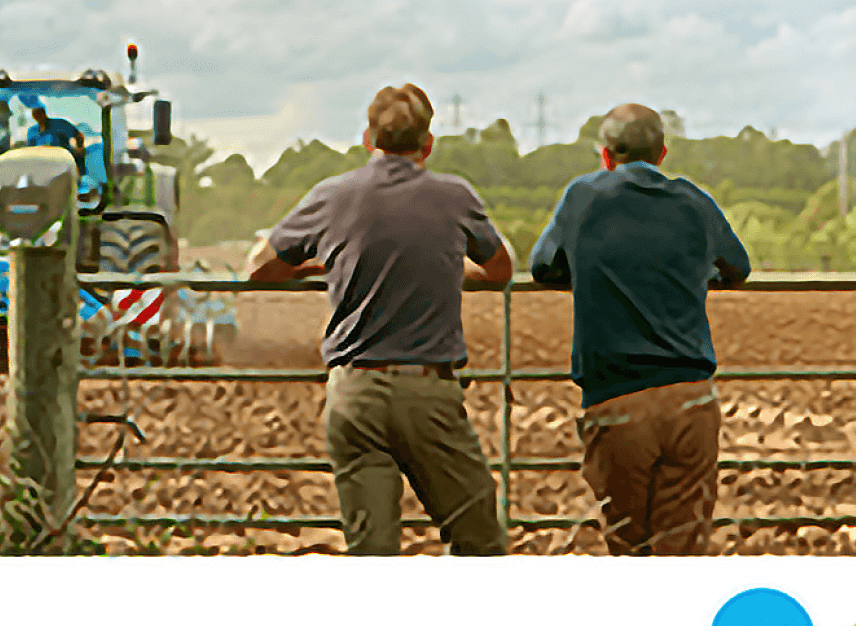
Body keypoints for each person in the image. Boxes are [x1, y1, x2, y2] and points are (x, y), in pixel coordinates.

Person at [245, 82, 515, 556]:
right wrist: (451, 266)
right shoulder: (455, 196)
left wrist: (318, 263)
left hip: (356, 393)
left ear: (367, 139)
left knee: (372, 552)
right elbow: (501, 267)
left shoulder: (332, 195)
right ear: (428, 145)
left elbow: (258, 266)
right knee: (479, 538)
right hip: (429, 392)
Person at [528, 103, 750, 555]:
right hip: (691, 397)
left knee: (629, 548)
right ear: (662, 153)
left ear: (606, 156)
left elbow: (542, 267)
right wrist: (694, 274)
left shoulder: (582, 196)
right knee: (682, 550)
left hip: (616, 399)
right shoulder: (694, 200)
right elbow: (738, 266)